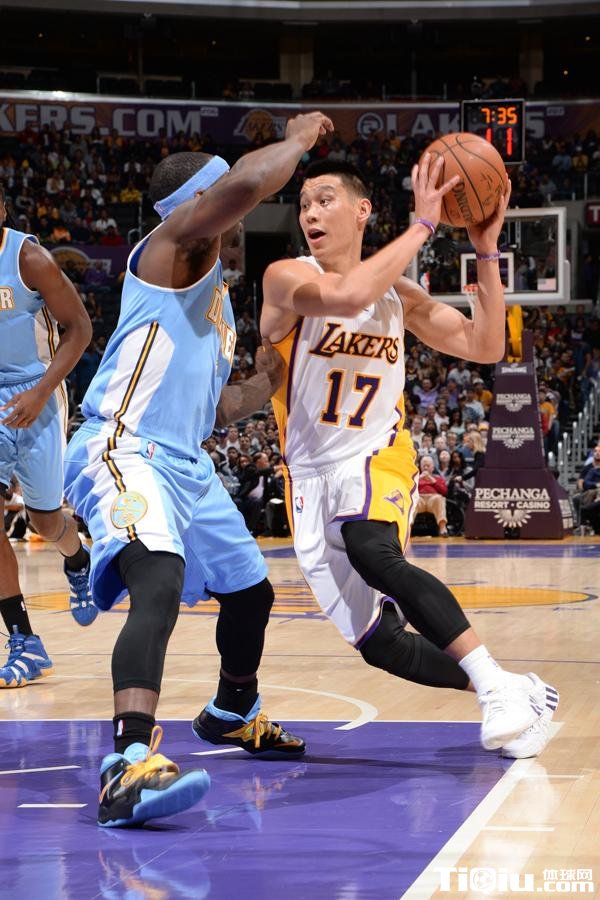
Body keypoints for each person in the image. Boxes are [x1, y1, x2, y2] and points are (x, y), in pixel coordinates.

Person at [63, 111, 334, 828]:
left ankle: (232, 710)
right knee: (159, 577)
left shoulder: (214, 300)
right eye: (225, 201)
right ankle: (126, 765)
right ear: (199, 204)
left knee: (250, 593)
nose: (238, 221)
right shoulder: (168, 249)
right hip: (123, 445)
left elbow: (217, 409)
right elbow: (245, 184)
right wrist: (299, 139)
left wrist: (269, 378)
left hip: (186, 461)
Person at [261, 157, 558, 762]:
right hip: (308, 475)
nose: (310, 212)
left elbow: (486, 345)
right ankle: (512, 688)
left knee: (372, 549)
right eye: (304, 204)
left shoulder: (399, 296)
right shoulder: (286, 277)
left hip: (376, 453)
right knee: (382, 644)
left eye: (324, 199)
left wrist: (485, 251)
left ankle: (494, 685)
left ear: (362, 211)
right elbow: (349, 293)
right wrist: (423, 224)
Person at [0, 184, 98, 690]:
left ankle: (77, 559)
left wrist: (40, 392)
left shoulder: (28, 258)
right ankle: (24, 641)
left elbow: (79, 328)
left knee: (43, 519)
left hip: (37, 388)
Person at [415, 454, 448, 537]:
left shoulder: (438, 479)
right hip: (419, 498)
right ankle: (408, 528)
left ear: (433, 468)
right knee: (412, 500)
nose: (426, 468)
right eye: (424, 466)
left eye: (428, 466)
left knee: (439, 498)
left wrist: (432, 480)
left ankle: (443, 528)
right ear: (420, 467)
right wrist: (419, 478)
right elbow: (408, 489)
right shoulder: (415, 478)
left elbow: (444, 491)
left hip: (433, 499)